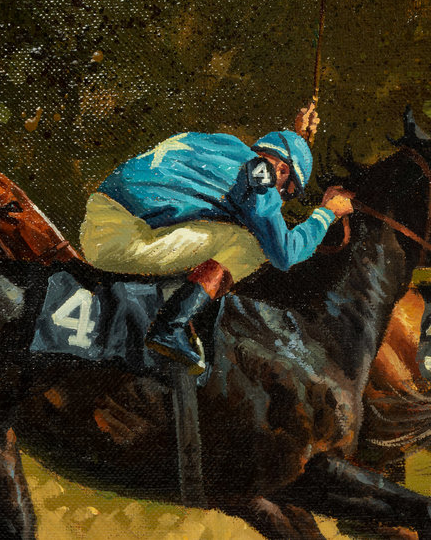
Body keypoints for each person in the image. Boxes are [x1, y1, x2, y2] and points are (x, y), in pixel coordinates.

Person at [79, 103, 353, 373]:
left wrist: (296, 140)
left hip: (101, 219)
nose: (280, 199)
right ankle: (169, 327)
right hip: (121, 239)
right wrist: (326, 214)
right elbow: (284, 254)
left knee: (228, 231)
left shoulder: (225, 144)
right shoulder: (260, 175)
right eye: (287, 192)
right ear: (281, 170)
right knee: (251, 245)